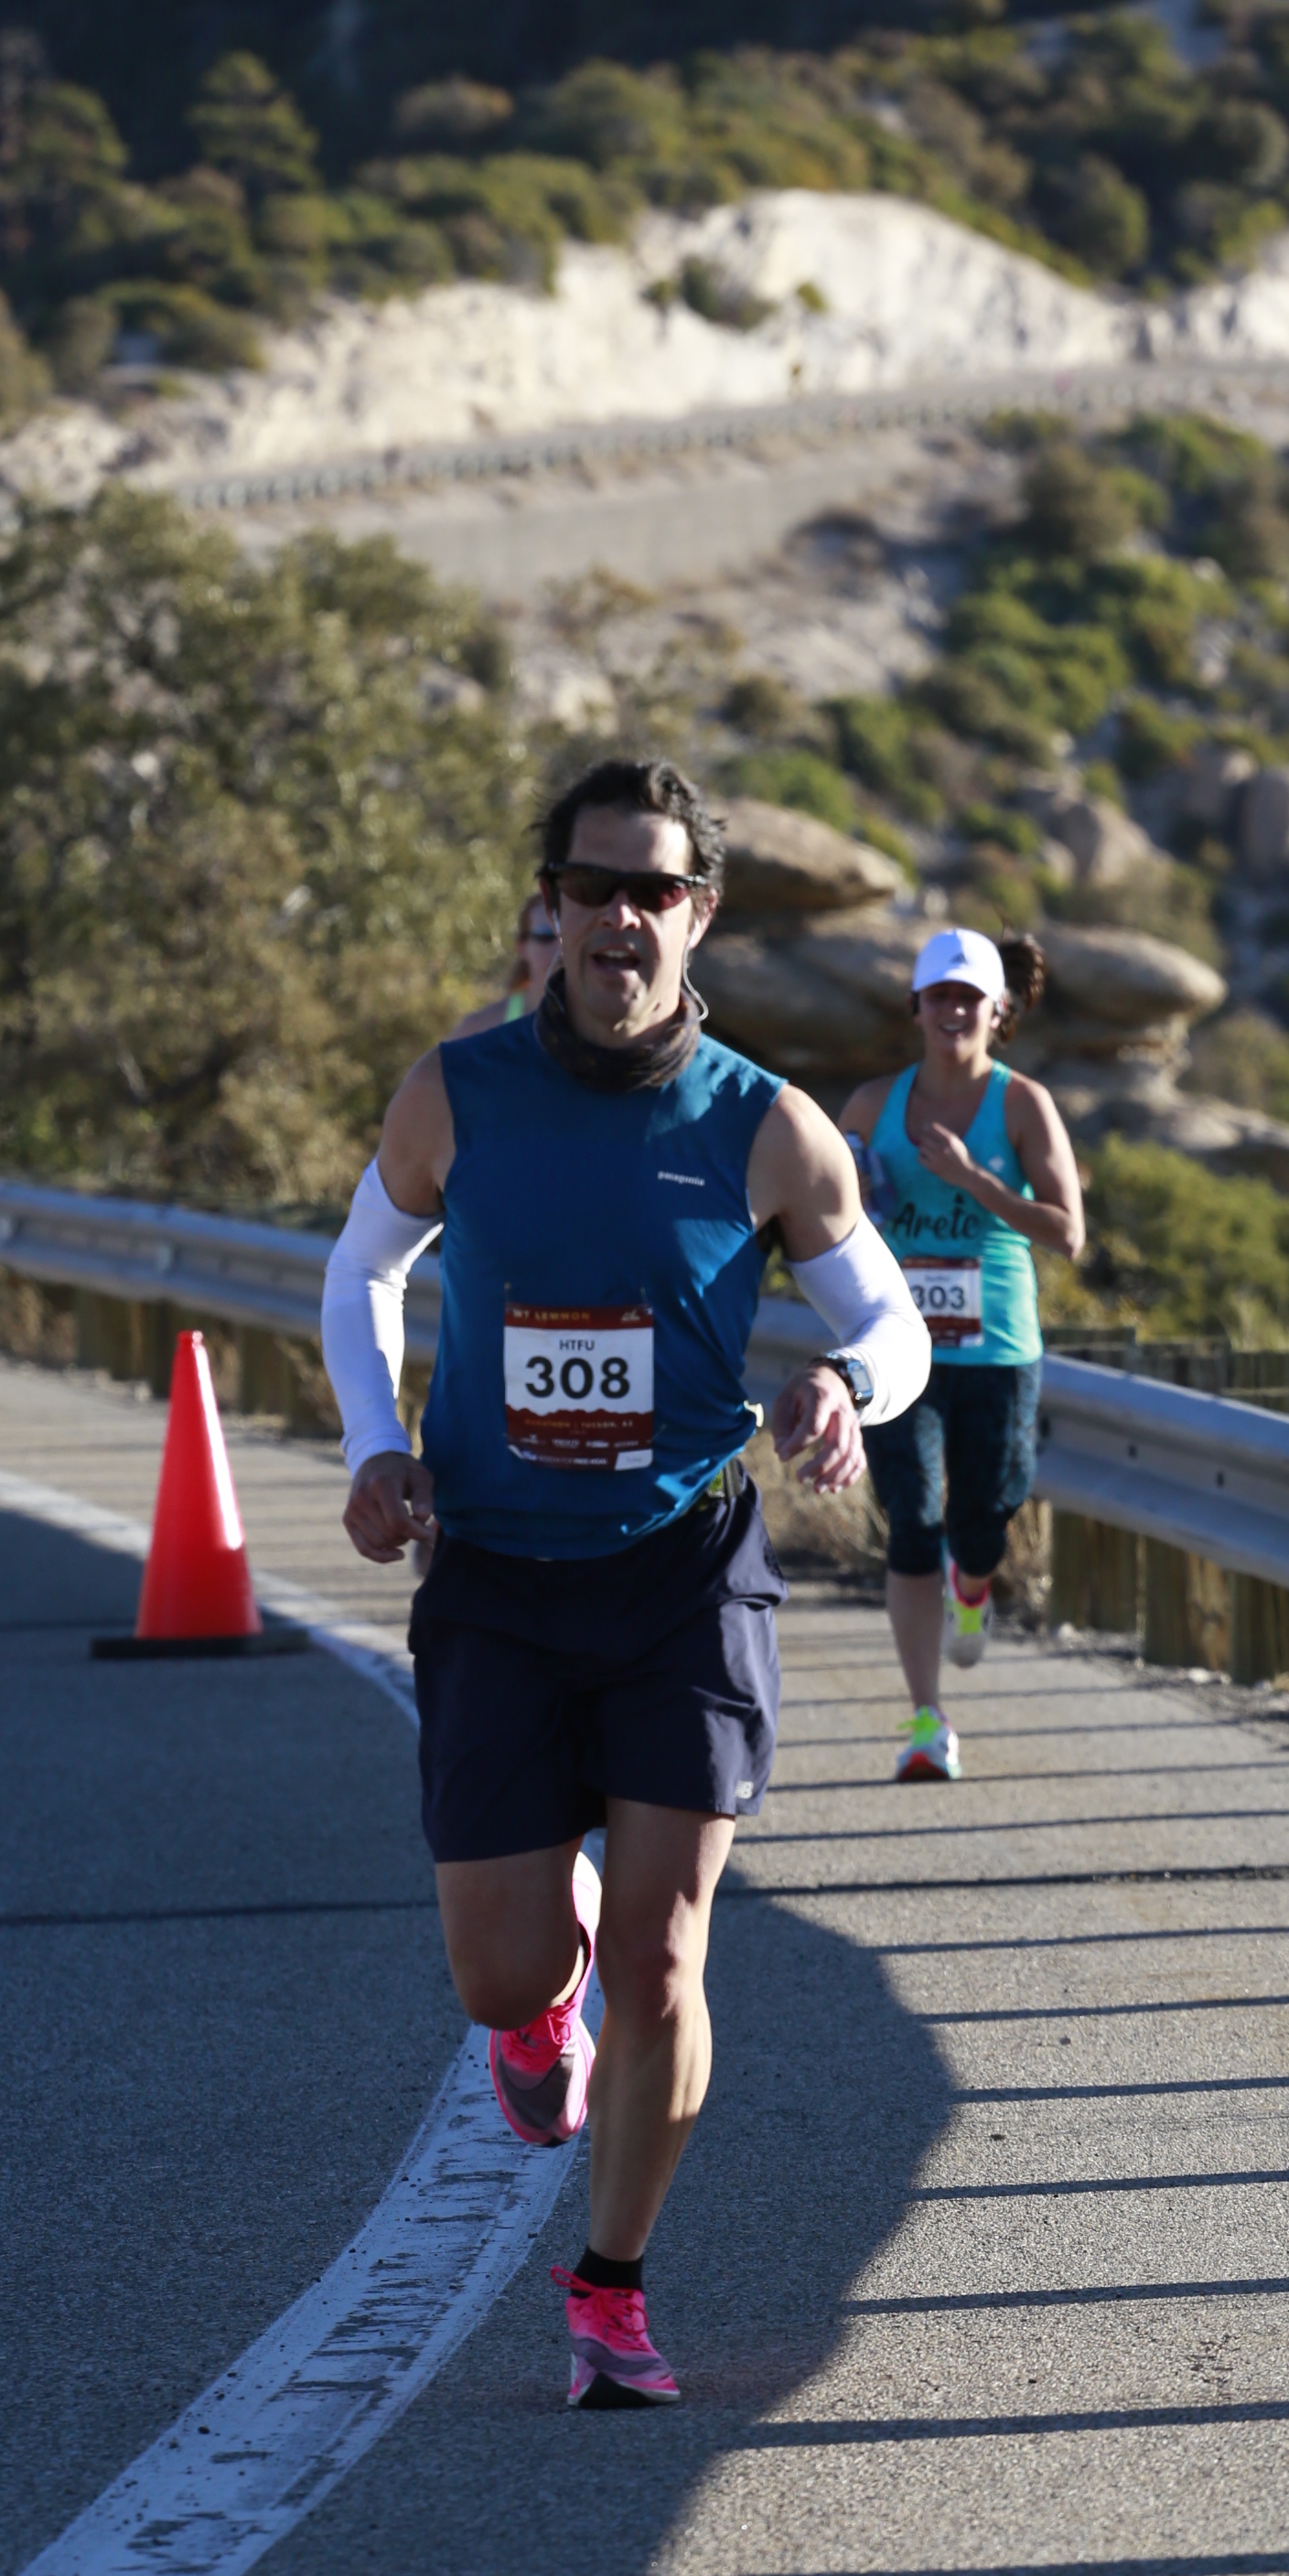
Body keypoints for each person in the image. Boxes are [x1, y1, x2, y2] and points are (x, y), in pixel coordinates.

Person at [320, 757, 929, 2407]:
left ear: (698, 914)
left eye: (653, 890)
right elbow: (364, 1268)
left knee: (669, 1958)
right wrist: (377, 1443)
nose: (619, 917)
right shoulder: (458, 1093)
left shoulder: (767, 1125)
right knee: (498, 1973)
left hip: (683, 1579)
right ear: (554, 908)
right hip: (497, 1578)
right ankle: (542, 2008)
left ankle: (609, 2290)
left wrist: (844, 1387)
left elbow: (892, 1322)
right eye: (590, 887)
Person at [839, 926, 1085, 1784]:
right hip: (897, 1344)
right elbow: (823, 1213)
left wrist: (974, 1179)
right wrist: (854, 1195)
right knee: (911, 1520)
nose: (953, 1010)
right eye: (939, 995)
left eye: (968, 998)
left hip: (999, 1350)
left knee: (986, 1513)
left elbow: (1068, 1233)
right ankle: (926, 1720)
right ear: (916, 1006)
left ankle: (972, 1584)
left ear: (998, 1009)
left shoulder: (1021, 1105)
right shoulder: (872, 1104)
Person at [448, 893, 559, 1037]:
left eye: (568, 936)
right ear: (522, 946)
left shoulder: (590, 1026)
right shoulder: (480, 1027)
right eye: (546, 936)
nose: (561, 949)